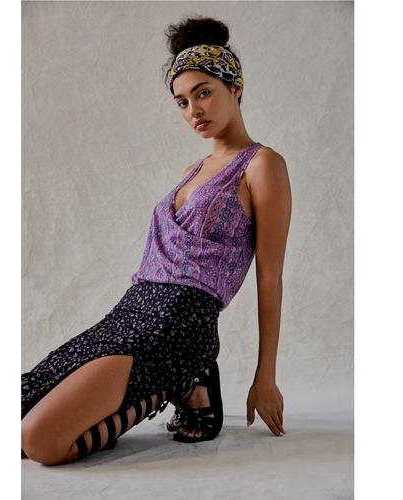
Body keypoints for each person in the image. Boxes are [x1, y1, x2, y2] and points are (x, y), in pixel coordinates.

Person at [21, 15, 292, 466]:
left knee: (41, 441)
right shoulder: (191, 171)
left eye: (203, 93)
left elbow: (270, 277)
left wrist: (266, 376)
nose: (194, 110)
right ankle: (183, 383)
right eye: (182, 101)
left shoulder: (261, 165)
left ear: (236, 87)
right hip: (129, 312)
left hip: (180, 326)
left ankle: (183, 380)